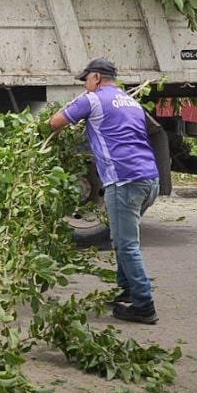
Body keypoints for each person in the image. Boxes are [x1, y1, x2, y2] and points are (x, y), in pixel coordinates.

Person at [48, 57, 161, 325]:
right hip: (149, 179)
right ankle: (127, 291)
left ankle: (144, 305)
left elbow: (54, 122)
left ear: (97, 77)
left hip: (124, 181)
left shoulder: (93, 100)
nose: (85, 85)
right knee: (120, 238)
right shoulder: (130, 101)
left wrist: (75, 107)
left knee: (126, 244)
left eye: (86, 79)